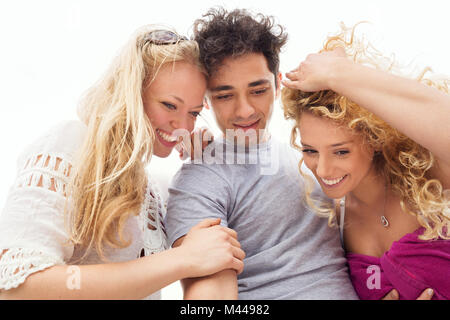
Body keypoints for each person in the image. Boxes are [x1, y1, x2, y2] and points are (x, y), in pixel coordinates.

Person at [0, 25, 245, 299]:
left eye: (194, 113)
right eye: (169, 105)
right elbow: (19, 287)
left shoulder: (151, 189)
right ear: (132, 94)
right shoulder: (69, 144)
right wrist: (181, 259)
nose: (183, 126)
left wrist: (206, 160)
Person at [164, 8, 358, 300]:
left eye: (258, 90)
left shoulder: (312, 156)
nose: (244, 111)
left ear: (278, 84)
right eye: (225, 95)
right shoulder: (198, 180)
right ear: (206, 99)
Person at [281, 23, 450, 300]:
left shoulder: (429, 179)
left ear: (375, 139)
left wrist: (338, 73)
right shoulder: (333, 220)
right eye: (310, 151)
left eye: (341, 152)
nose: (322, 170)